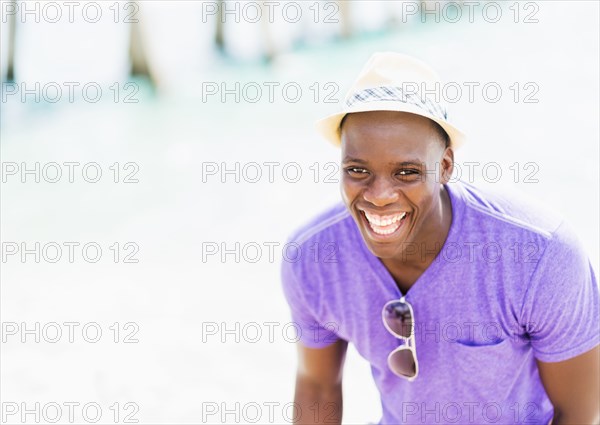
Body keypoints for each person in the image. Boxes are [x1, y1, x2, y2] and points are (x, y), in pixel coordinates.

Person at [280, 52, 600, 425]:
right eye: (357, 170)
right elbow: (317, 388)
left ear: (445, 166)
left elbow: (579, 413)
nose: (379, 195)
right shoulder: (313, 258)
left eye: (407, 172)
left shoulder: (539, 254)